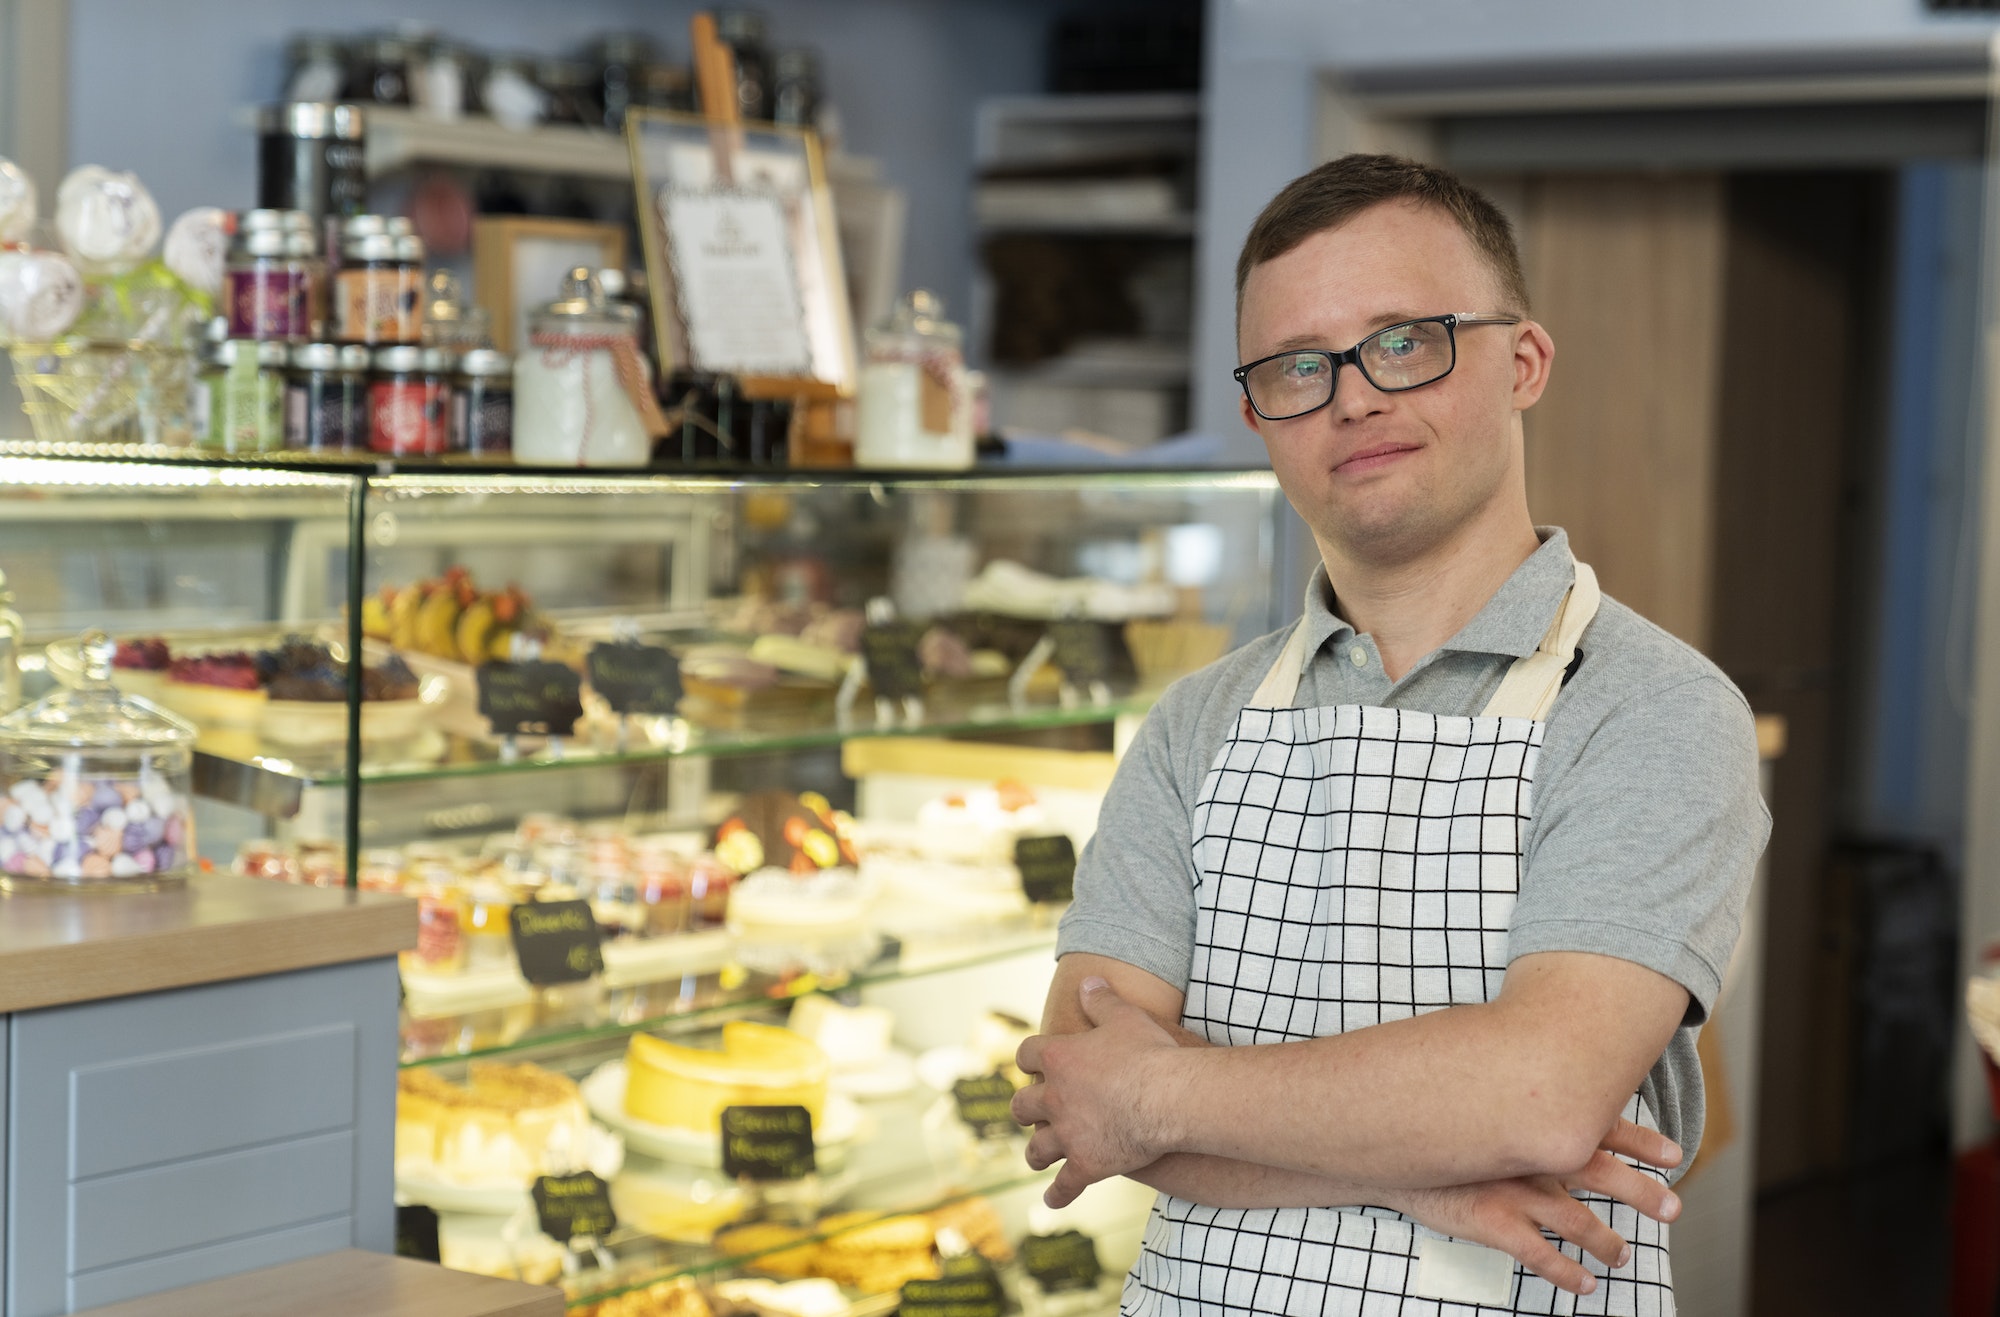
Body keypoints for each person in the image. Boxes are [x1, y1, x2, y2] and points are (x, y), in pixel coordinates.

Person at [1010, 154, 1770, 1316]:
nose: (1351, 398)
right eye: (1295, 367)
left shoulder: (1651, 708)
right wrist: (1434, 1184)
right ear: (1259, 412)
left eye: (1404, 341)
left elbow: (1538, 1098)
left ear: (1521, 363)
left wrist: (1159, 1096)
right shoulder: (1193, 724)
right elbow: (1075, 1097)